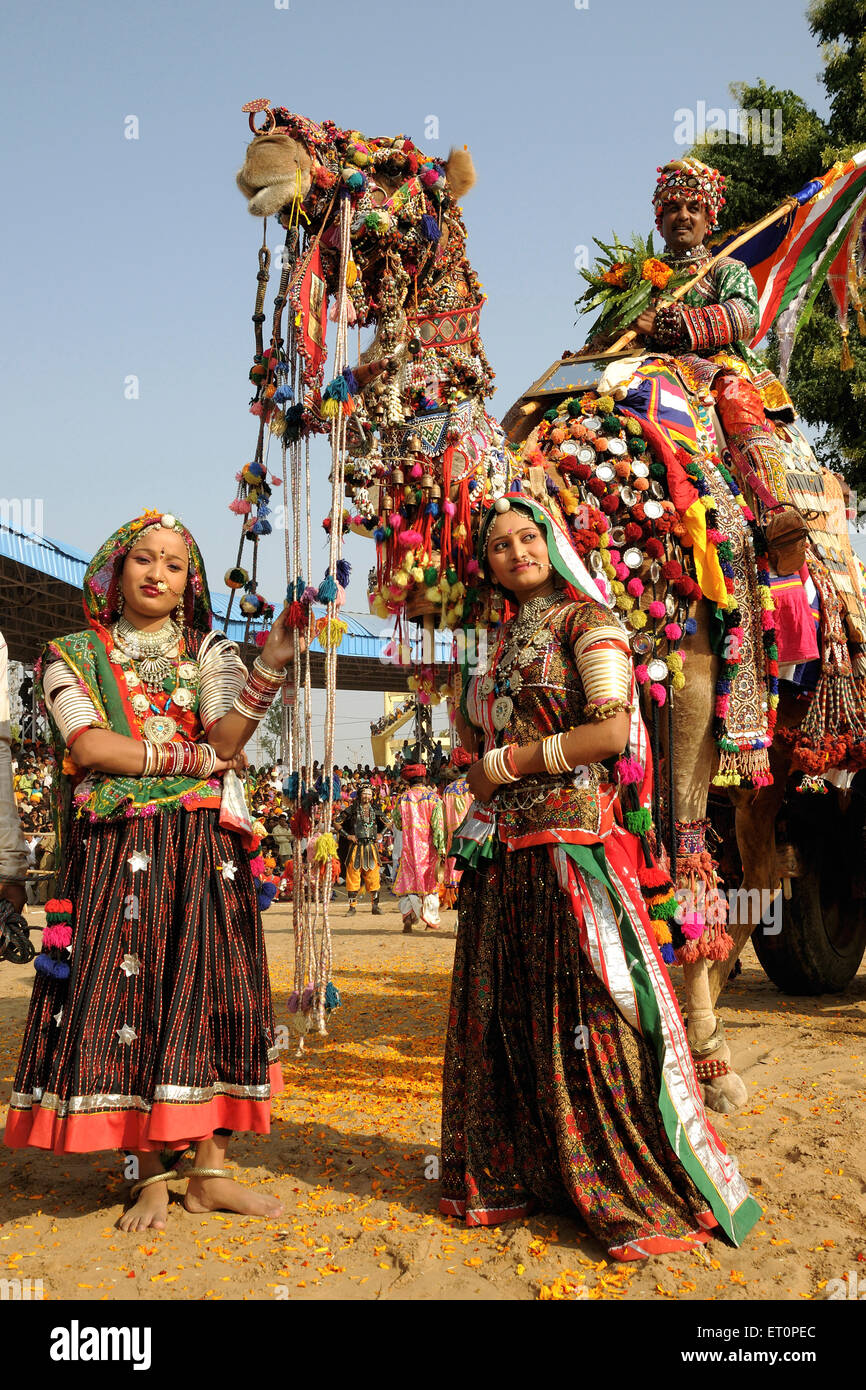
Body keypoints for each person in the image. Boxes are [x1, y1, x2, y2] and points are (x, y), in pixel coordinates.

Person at [439, 493, 760, 1260]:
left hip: (570, 843)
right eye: (499, 546)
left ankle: (625, 1174)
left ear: (552, 540)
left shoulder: (589, 623)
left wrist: (508, 764)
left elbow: (613, 730)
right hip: (502, 851)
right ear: (486, 566)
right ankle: (528, 1171)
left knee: (591, 1011)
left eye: (528, 536)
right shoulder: (497, 644)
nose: (516, 552)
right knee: (509, 1016)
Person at [3, 508, 303, 1233]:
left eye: (174, 564)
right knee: (125, 1001)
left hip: (204, 849)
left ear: (188, 584)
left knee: (210, 993)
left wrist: (271, 663)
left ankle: (208, 1174)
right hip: (116, 853)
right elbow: (91, 746)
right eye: (145, 558)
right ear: (115, 567)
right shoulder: (68, 653)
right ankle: (144, 1178)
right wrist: (192, 759)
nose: (157, 573)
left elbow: (228, 736)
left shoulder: (212, 651)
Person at [392, 763, 445, 932]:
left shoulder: (402, 798)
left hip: (408, 850)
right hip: (428, 851)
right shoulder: (434, 798)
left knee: (409, 882)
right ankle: (430, 922)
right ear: (424, 778)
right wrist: (441, 848)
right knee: (429, 885)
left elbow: (398, 823)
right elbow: (438, 827)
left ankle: (408, 918)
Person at [339, 783, 387, 915]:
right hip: (355, 847)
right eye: (364, 793)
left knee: (373, 877)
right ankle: (352, 907)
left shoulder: (376, 809)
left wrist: (381, 834)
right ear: (360, 795)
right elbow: (337, 822)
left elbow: (388, 822)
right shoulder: (351, 810)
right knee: (353, 876)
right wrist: (347, 835)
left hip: (371, 847)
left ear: (372, 796)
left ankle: (375, 906)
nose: (367, 796)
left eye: (369, 794)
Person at [439, 748, 473, 910]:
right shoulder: (475, 786)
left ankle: (452, 898)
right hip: (473, 834)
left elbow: (443, 819)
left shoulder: (448, 789)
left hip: (453, 835)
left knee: (454, 864)